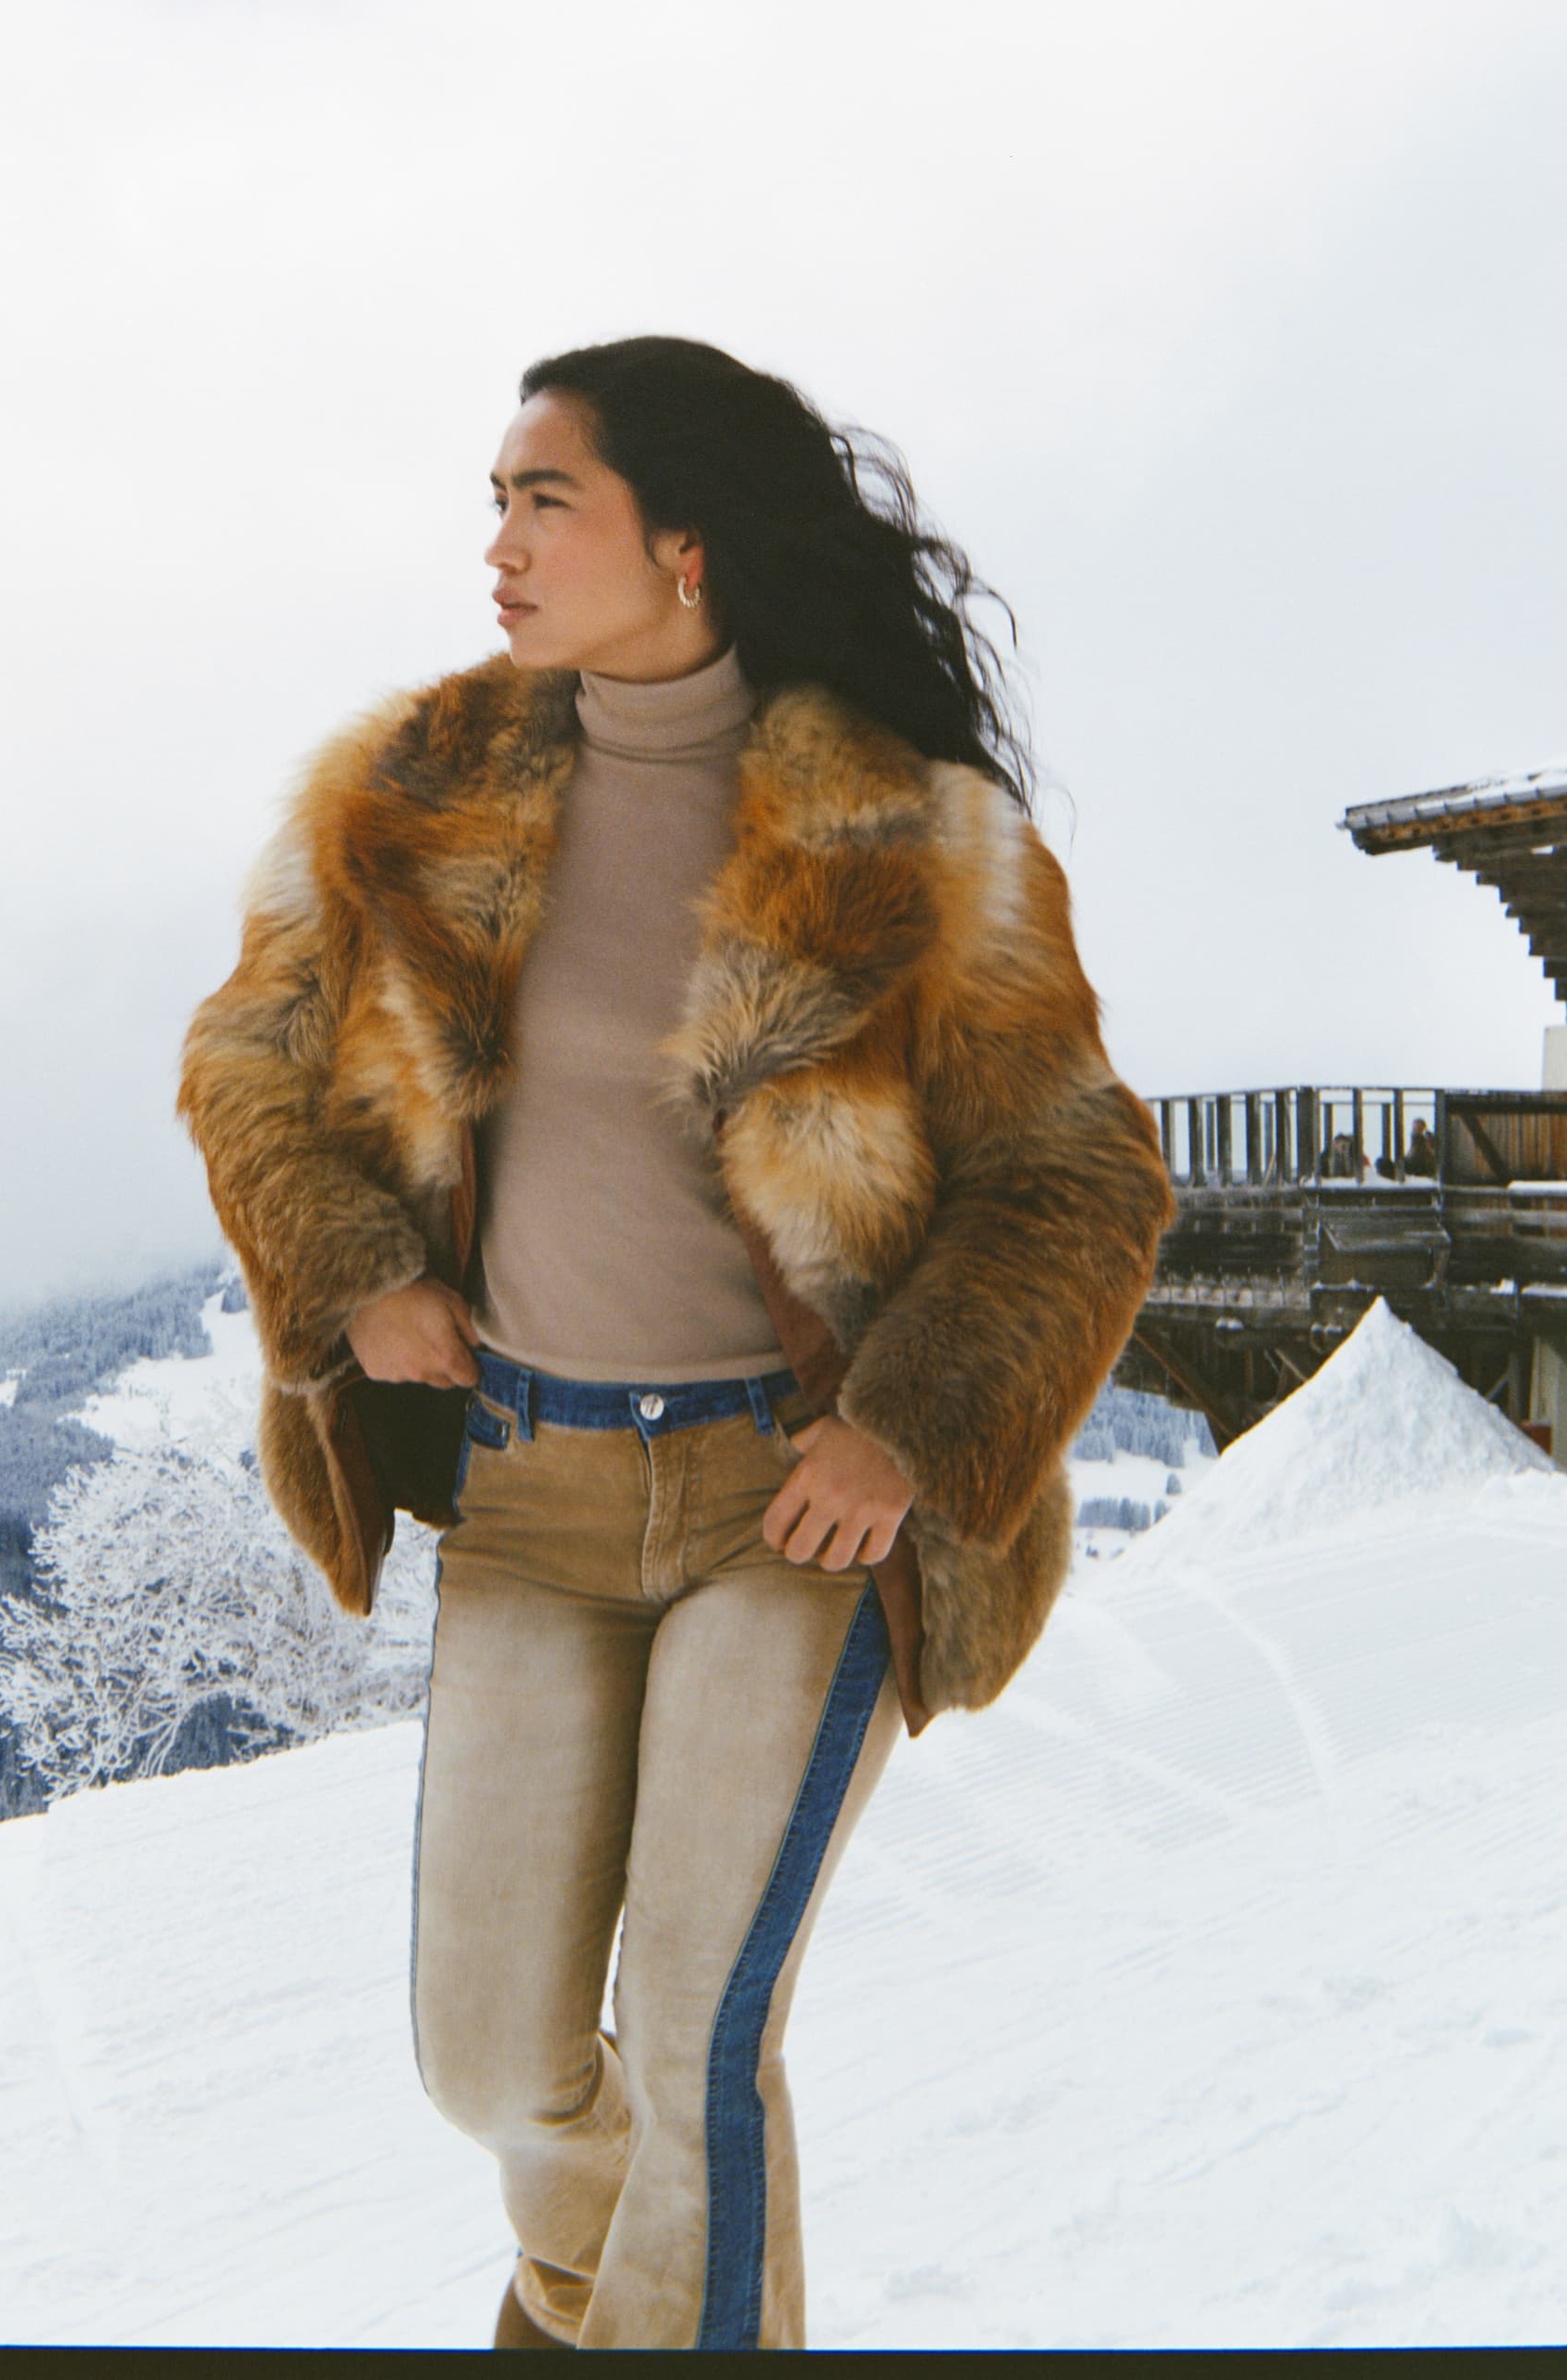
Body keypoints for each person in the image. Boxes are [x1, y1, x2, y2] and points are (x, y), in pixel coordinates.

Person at [175, 336, 1175, 2351]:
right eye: (495, 501)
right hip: (528, 1492)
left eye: (546, 501)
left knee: (706, 2033)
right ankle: (589, 2305)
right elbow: (247, 1060)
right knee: (489, 2059)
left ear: (686, 543)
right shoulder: (397, 793)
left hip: (790, 1509)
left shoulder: (919, 835)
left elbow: (1081, 1170)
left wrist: (908, 1426)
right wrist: (355, 1265)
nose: (500, 544)